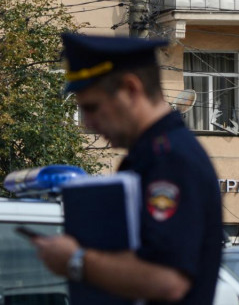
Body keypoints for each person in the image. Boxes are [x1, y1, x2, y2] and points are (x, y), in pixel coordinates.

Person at [29, 33, 223, 305]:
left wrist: (75, 261)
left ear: (131, 89)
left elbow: (168, 280)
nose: (87, 123)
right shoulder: (151, 154)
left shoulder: (169, 158)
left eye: (92, 108)